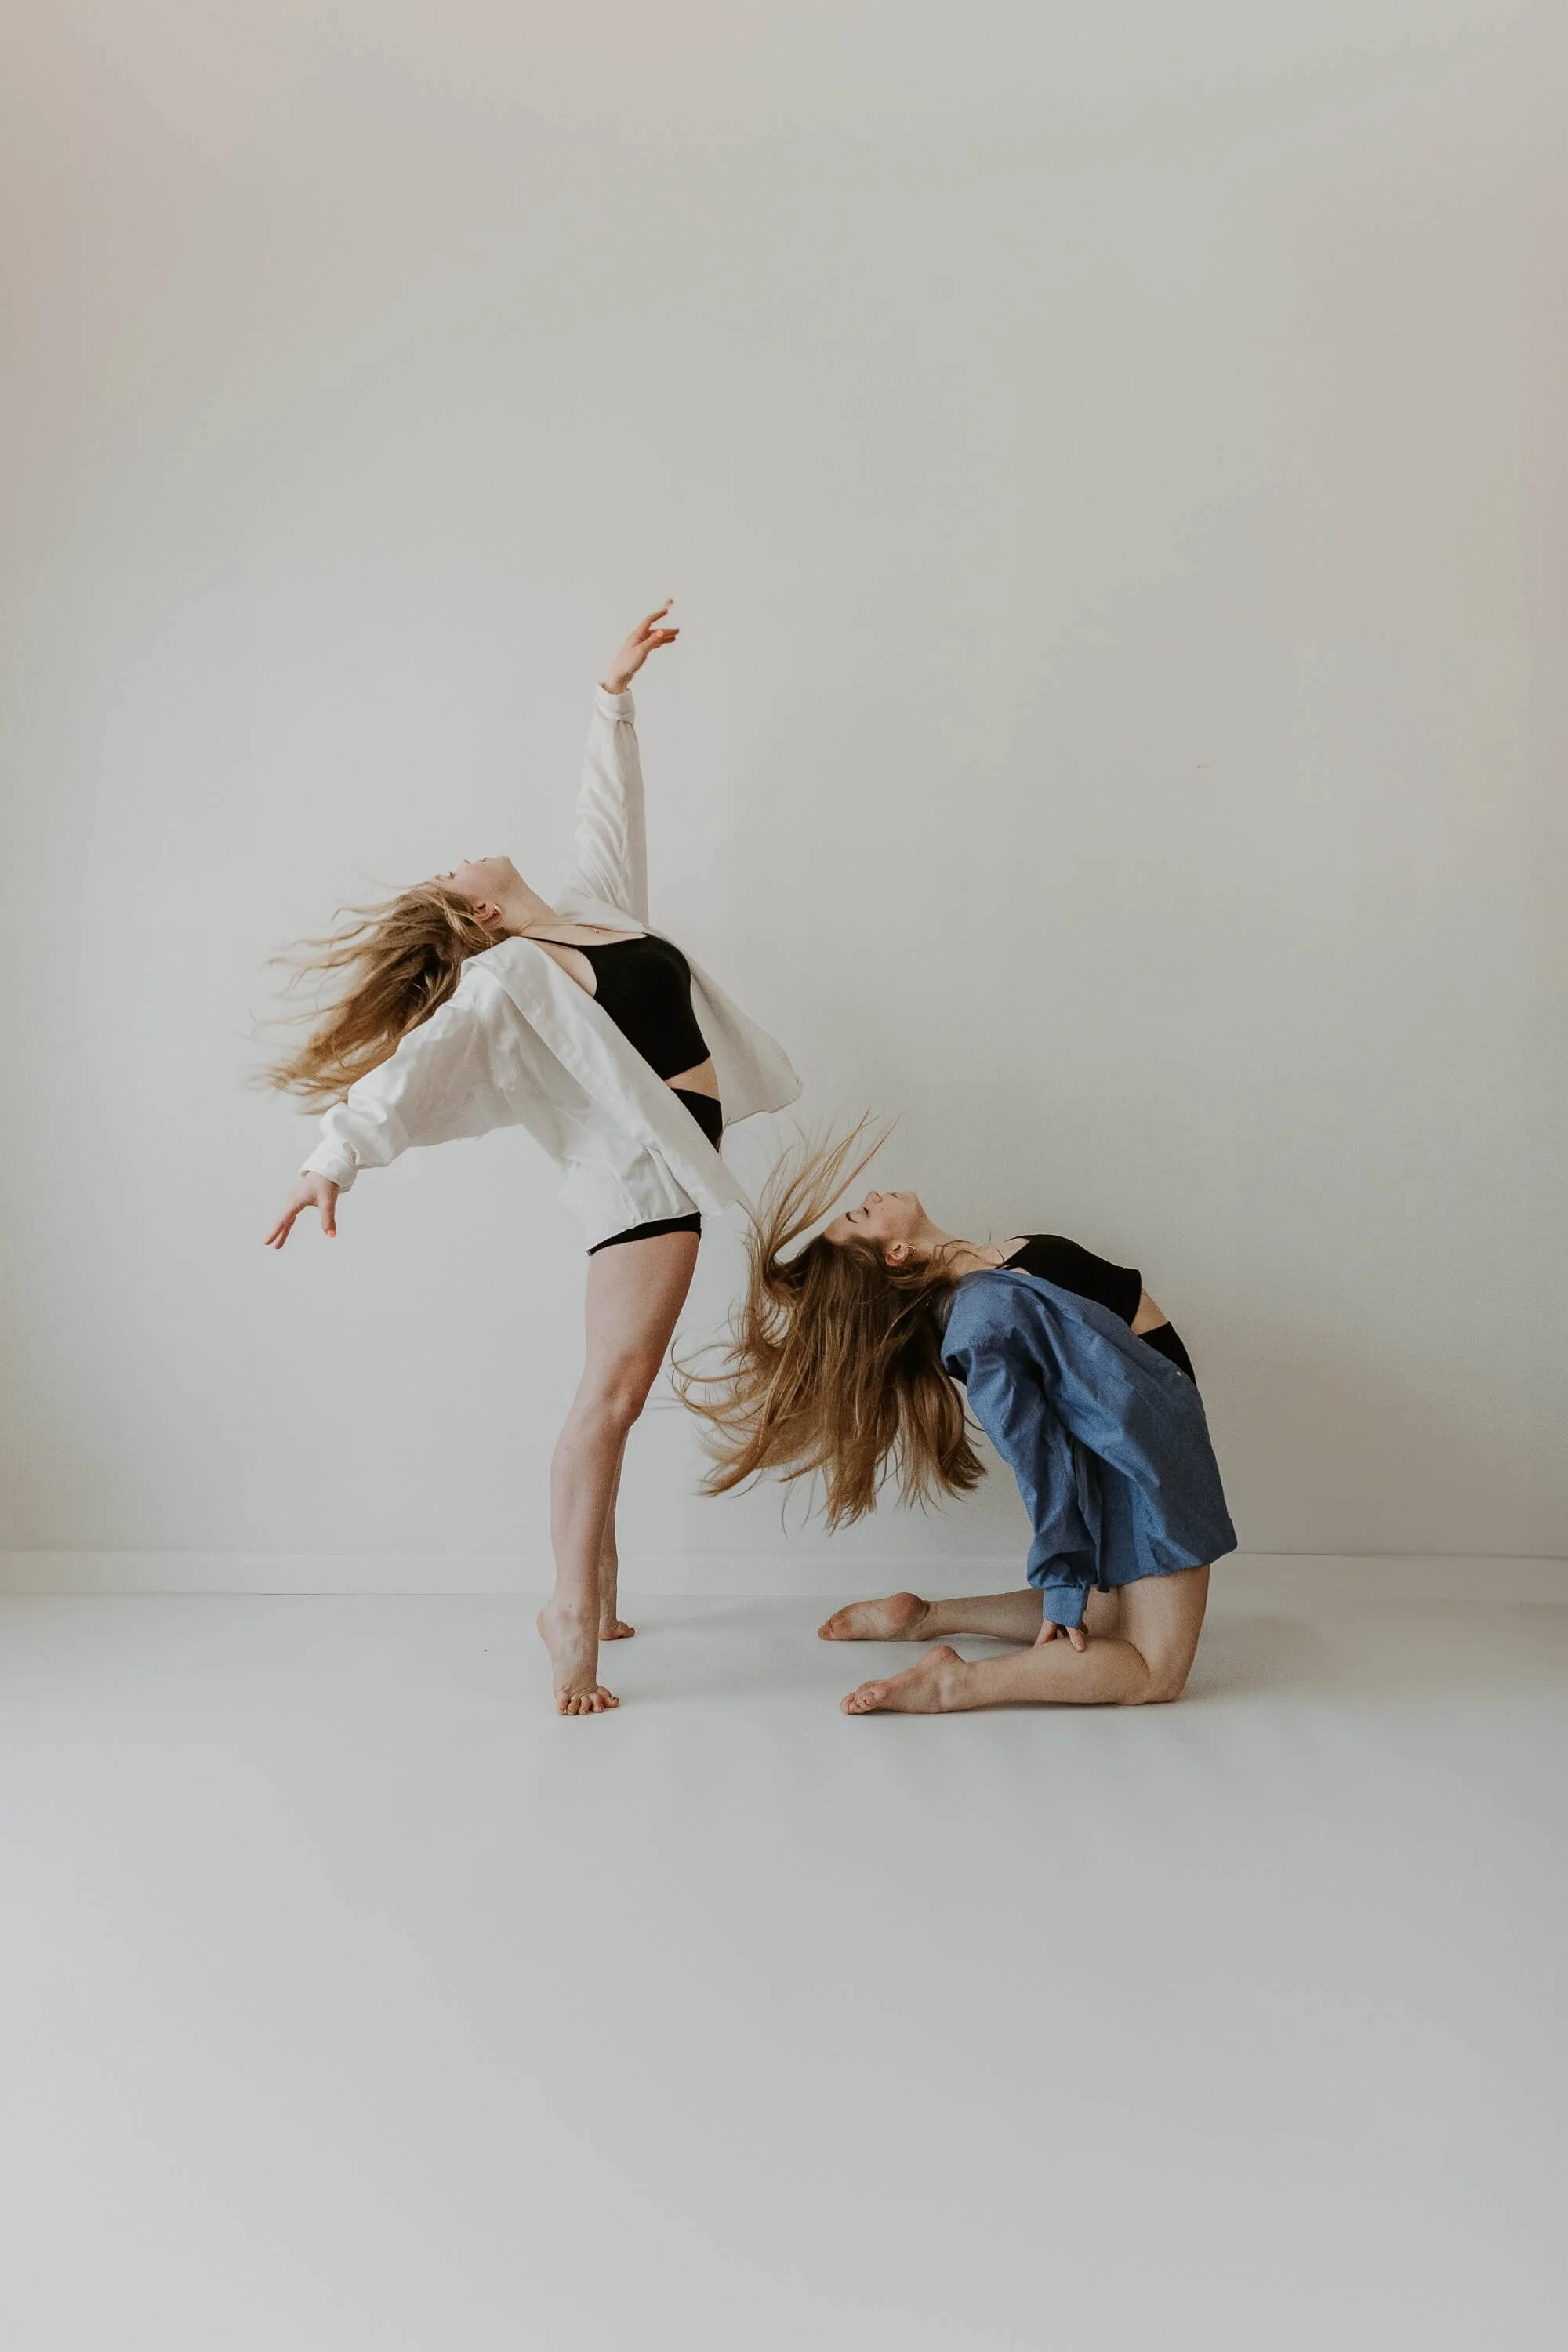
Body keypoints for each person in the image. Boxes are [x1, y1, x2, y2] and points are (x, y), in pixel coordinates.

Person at [263, 606, 800, 1715]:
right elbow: (413, 1068)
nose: (471, 847)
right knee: (608, 1400)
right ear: (477, 908)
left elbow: (609, 815)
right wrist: (335, 1158)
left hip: (669, 1182)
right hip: (641, 1191)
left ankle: (595, 1591)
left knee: (613, 1396)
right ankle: (569, 1612)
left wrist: (614, 697)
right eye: (458, 865)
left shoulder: (596, 917)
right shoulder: (510, 981)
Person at [677, 1130, 1236, 1715]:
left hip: (1138, 1442)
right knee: (1153, 1671)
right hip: (1148, 1456)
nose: (871, 1196)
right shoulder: (978, 1322)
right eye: (863, 1213)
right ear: (895, 1254)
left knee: (1113, 1610)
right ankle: (954, 1684)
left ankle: (925, 1617)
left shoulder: (993, 1274)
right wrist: (1066, 1578)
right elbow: (1038, 1456)